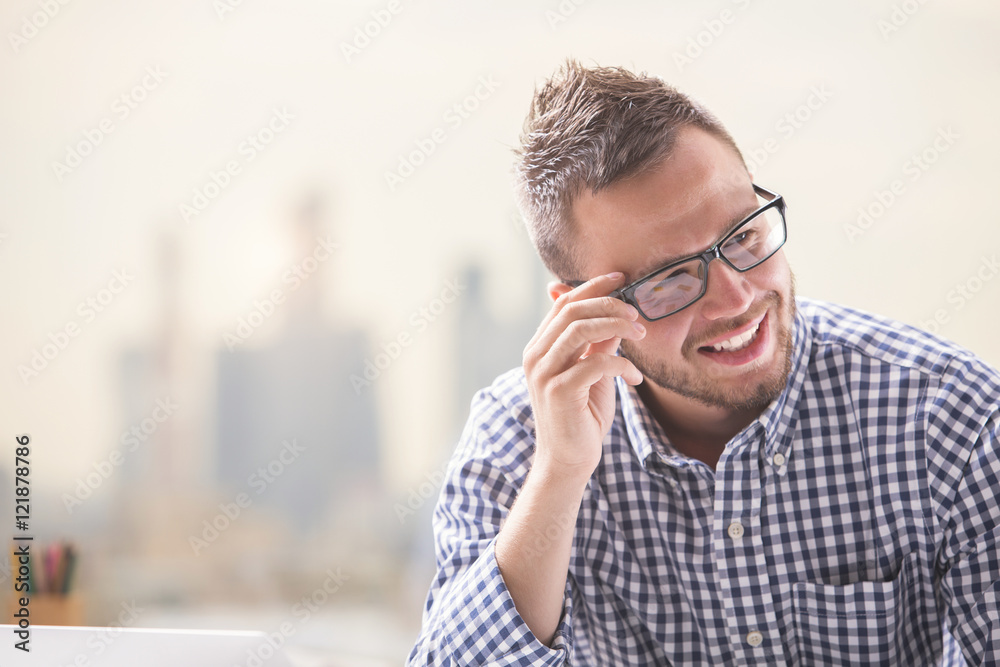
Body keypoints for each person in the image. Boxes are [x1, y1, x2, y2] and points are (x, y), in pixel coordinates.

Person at [406, 60, 1000, 666]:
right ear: (581, 310)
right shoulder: (517, 445)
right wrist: (561, 474)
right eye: (669, 279)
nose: (738, 299)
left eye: (744, 234)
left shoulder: (952, 423)